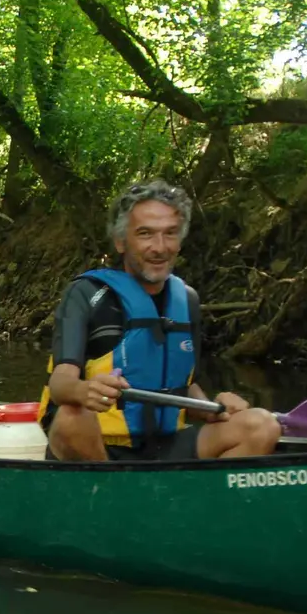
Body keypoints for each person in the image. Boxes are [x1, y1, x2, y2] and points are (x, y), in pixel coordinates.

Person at [40, 180, 281, 461]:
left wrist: (214, 407)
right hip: (98, 449)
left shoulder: (187, 300)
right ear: (121, 241)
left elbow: (186, 385)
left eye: (170, 234)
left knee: (261, 425)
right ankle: (111, 493)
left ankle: (195, 501)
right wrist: (83, 390)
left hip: (164, 447)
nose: (160, 247)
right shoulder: (87, 294)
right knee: (71, 416)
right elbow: (60, 384)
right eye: (145, 234)